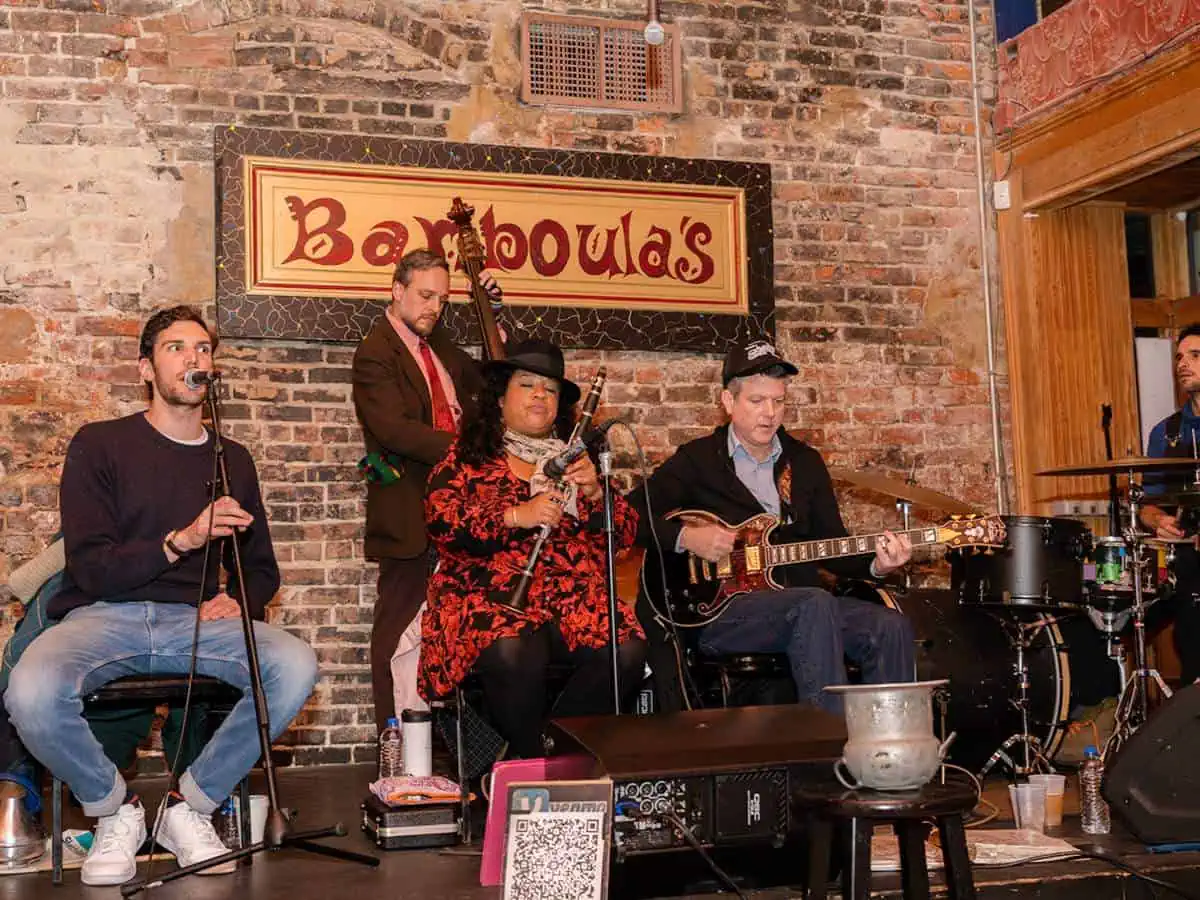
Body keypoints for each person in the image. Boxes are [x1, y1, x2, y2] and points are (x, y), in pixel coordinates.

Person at [4, 306, 319, 886]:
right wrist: (183, 541)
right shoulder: (101, 445)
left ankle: (189, 807)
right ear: (146, 368)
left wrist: (241, 604)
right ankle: (113, 809)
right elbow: (92, 569)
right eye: (176, 348)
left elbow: (261, 569)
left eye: (203, 349)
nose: (194, 359)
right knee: (29, 687)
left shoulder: (232, 459)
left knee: (295, 664)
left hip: (189, 620)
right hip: (102, 616)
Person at [636, 338, 915, 714]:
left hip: (804, 607)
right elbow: (627, 515)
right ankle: (824, 752)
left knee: (889, 625)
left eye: (778, 401)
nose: (769, 413)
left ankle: (886, 757)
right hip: (721, 612)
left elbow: (832, 545)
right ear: (728, 402)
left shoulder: (805, 463)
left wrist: (878, 565)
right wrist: (687, 537)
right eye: (756, 401)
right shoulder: (697, 461)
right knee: (814, 605)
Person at [418, 339, 646, 758]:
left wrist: (596, 493)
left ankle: (550, 752)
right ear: (500, 398)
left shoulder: (577, 461)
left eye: (551, 389)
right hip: (491, 597)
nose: (540, 395)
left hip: (571, 599)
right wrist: (517, 516)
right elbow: (443, 522)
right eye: (528, 385)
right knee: (512, 647)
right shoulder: (467, 458)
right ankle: (531, 761)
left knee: (625, 645)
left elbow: (626, 534)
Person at [352, 248, 503, 732]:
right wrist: (471, 451)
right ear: (397, 291)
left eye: (442, 298)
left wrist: (493, 316)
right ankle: (392, 741)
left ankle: (464, 747)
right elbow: (396, 430)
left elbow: (495, 378)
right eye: (424, 295)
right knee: (396, 628)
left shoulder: (439, 346)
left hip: (461, 506)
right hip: (409, 507)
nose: (433, 307)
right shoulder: (376, 352)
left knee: (468, 625)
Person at [1138, 322, 1200, 685]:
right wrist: (1157, 520)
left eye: (1195, 356)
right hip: (1188, 564)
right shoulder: (1166, 432)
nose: (1183, 364)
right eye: (1179, 357)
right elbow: (1147, 503)